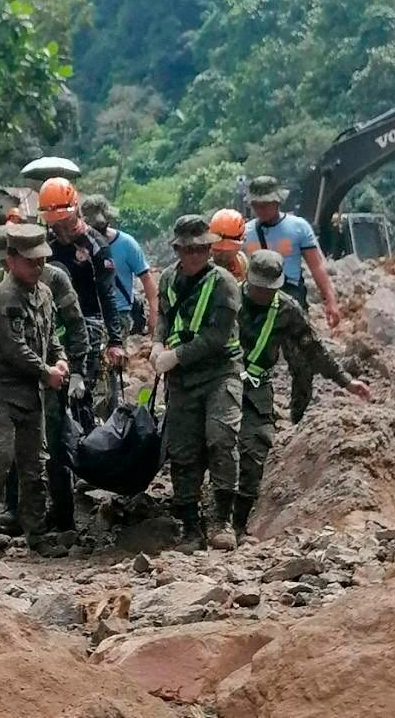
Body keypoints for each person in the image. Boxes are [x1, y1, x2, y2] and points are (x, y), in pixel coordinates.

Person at [0, 226, 89, 535]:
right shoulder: (2, 292)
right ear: (11, 259)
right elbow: (12, 347)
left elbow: (63, 329)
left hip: (37, 388)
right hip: (1, 388)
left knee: (41, 459)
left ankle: (44, 526)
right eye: (30, 261)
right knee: (2, 456)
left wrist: (70, 364)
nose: (37, 266)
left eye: (40, 260)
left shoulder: (49, 286)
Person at [235, 250, 371, 539]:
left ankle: (237, 523)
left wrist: (346, 382)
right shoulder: (227, 298)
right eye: (257, 287)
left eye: (268, 288)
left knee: (255, 448)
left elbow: (314, 349)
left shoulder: (286, 309)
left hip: (256, 387)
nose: (262, 293)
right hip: (218, 381)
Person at [151, 215, 244, 553]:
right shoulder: (167, 279)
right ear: (177, 249)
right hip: (183, 381)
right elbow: (163, 318)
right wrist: (158, 344)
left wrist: (177, 355)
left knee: (221, 438)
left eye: (199, 250)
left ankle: (222, 520)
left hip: (219, 372)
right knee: (183, 451)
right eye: (186, 250)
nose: (192, 257)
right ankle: (191, 526)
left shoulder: (224, 284)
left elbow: (217, 337)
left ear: (209, 249)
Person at [38, 178, 124, 422]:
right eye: (53, 225)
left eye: (63, 222)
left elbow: (107, 294)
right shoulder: (47, 243)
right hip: (54, 323)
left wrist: (115, 340)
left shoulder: (95, 245)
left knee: (83, 390)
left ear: (75, 211)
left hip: (89, 322)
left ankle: (86, 439)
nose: (59, 229)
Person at [244, 176, 341, 327]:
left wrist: (331, 301)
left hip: (290, 295)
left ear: (277, 202)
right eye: (256, 205)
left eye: (265, 204)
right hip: (256, 298)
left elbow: (316, 266)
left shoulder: (299, 227)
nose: (260, 209)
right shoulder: (245, 232)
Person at [81, 193, 158, 340]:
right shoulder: (79, 245)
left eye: (101, 227)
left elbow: (147, 280)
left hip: (119, 314)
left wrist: (154, 314)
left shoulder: (127, 244)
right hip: (88, 314)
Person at [210, 209, 248, 282]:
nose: (223, 256)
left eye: (228, 252)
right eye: (218, 250)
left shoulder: (242, 262)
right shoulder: (198, 264)